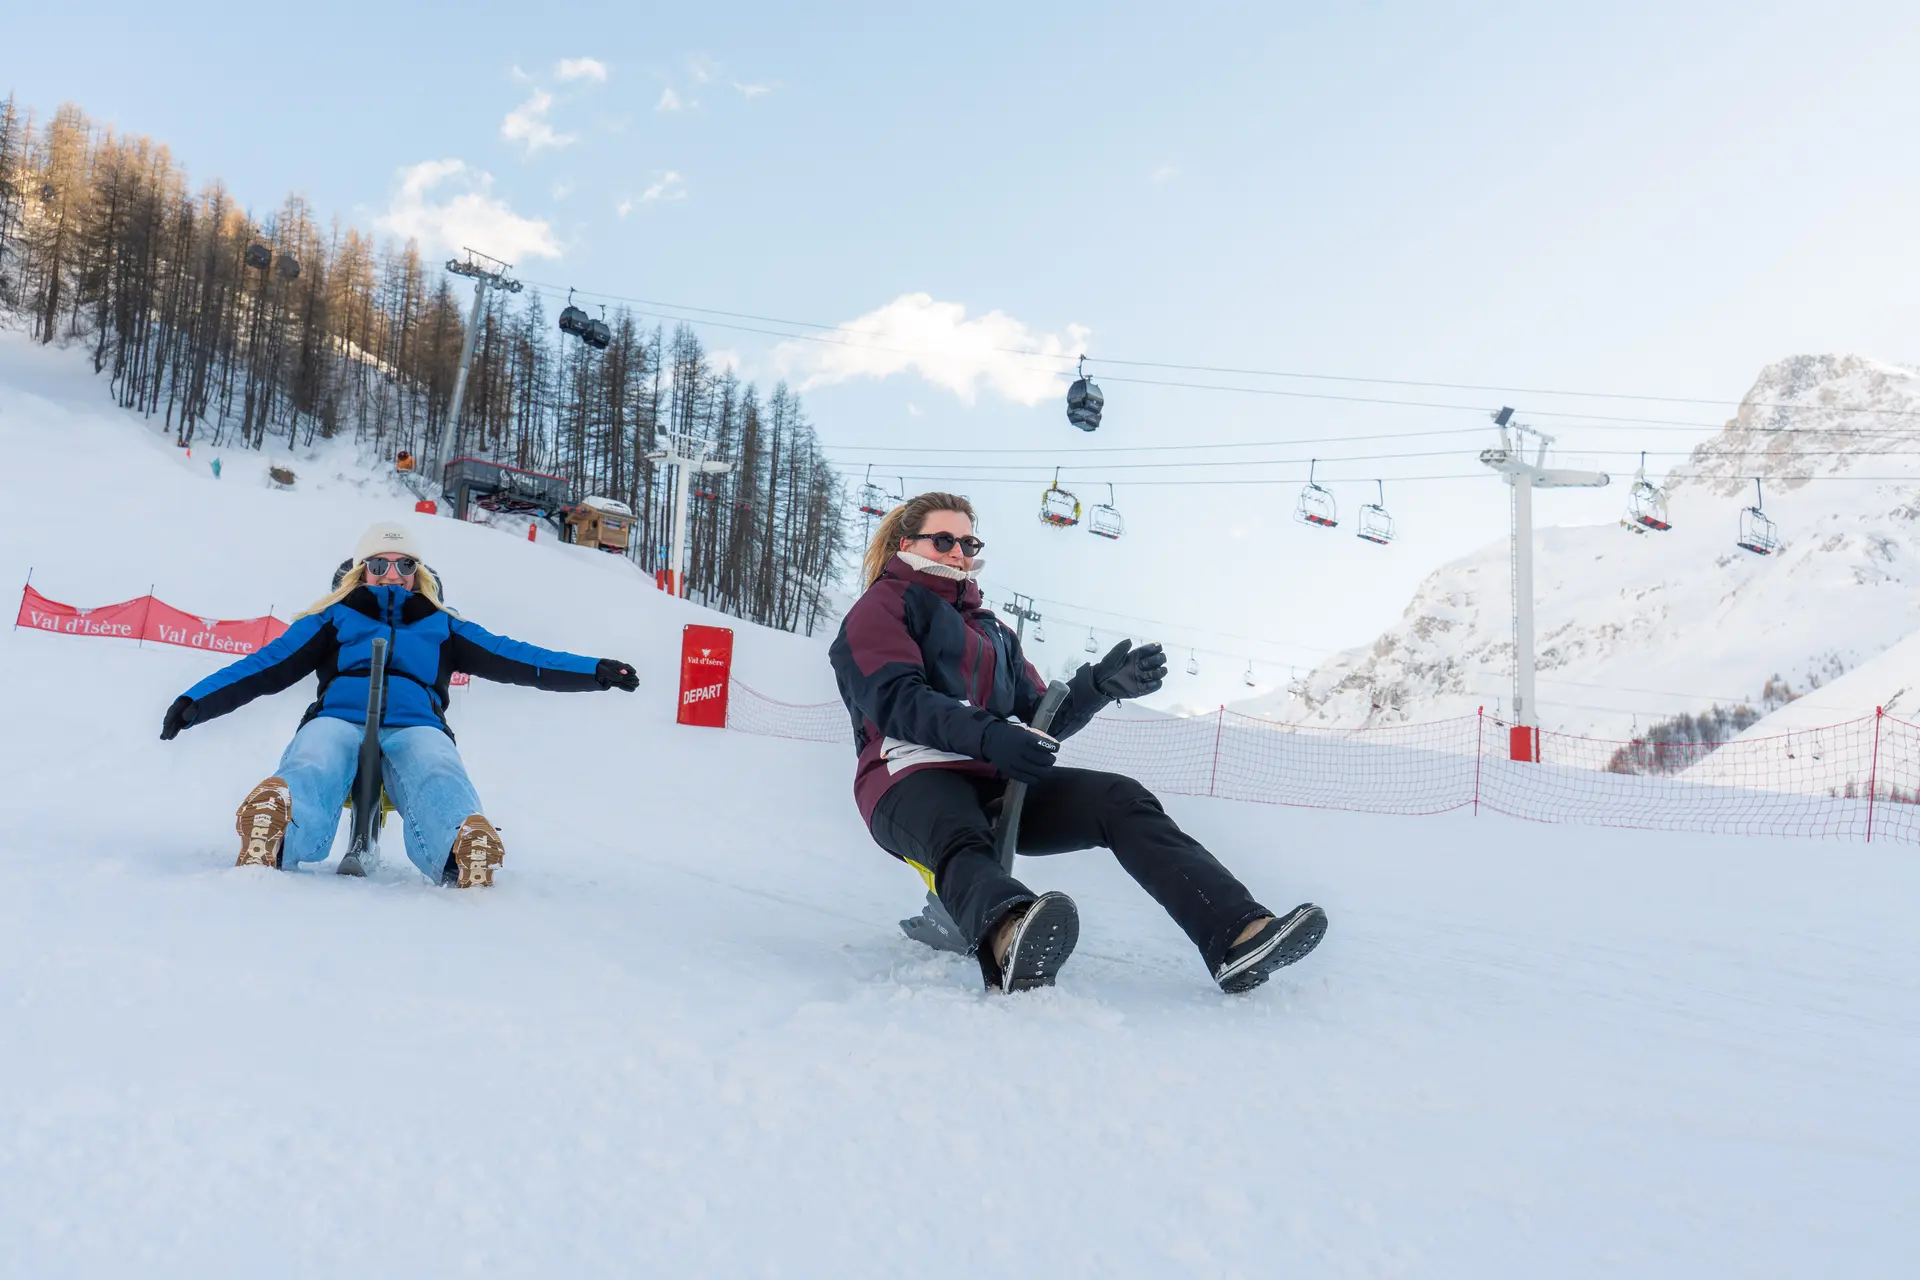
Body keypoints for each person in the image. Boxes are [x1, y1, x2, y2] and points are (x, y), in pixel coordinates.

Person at [830, 492, 1328, 993]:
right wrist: (988, 734)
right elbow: (896, 698)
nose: (959, 551)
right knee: (958, 831)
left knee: (1120, 799)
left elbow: (1039, 715)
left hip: (993, 773)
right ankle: (1009, 934)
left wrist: (1099, 687)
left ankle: (1236, 934)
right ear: (906, 543)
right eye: (944, 540)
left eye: (968, 541)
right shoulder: (883, 606)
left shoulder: (993, 631)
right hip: (908, 776)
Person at [159, 521, 639, 886]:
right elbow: (271, 663)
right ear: (361, 570)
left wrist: (592, 671)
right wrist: (196, 700)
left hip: (415, 724)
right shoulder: (334, 619)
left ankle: (461, 844)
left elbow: (520, 658)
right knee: (314, 757)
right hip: (340, 717)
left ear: (418, 573)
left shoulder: (441, 625)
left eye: (405, 564)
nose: (393, 574)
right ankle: (276, 829)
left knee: (437, 768)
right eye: (380, 564)